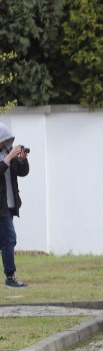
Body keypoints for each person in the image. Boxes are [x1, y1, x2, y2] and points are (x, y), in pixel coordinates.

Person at [0, 123, 28, 288]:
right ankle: (10, 277)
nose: (4, 144)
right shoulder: (6, 156)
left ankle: (9, 275)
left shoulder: (6, 153)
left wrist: (22, 161)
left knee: (5, 241)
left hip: (9, 205)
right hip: (1, 207)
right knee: (10, 239)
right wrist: (9, 158)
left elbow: (22, 172)